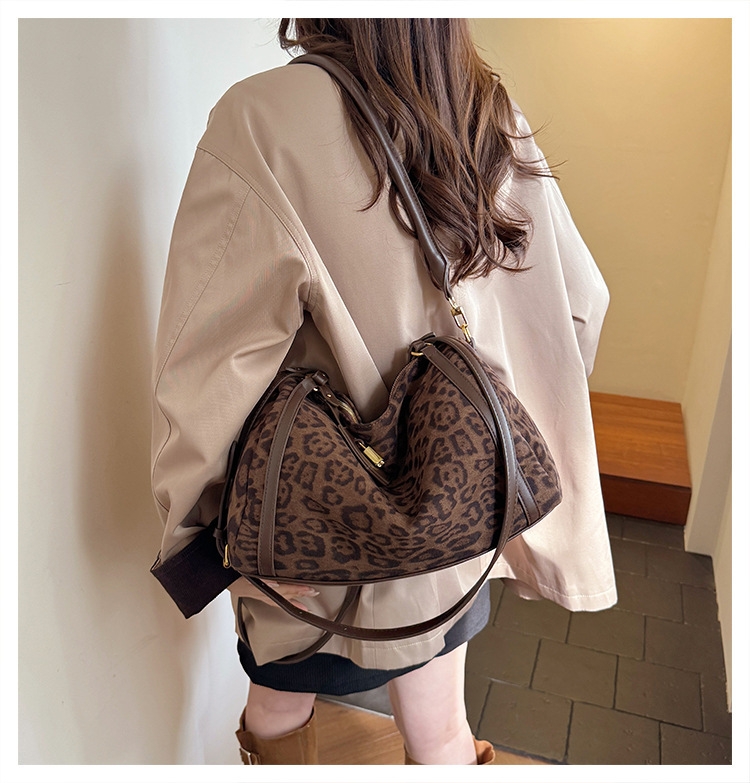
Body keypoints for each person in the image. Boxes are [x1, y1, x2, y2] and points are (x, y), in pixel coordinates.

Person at [150, 18, 617, 765]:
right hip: (454, 529)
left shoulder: (262, 118)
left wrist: (207, 539)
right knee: (441, 729)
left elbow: (209, 371)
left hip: (310, 540)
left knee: (277, 708)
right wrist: (492, 453)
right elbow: (579, 309)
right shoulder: (485, 108)